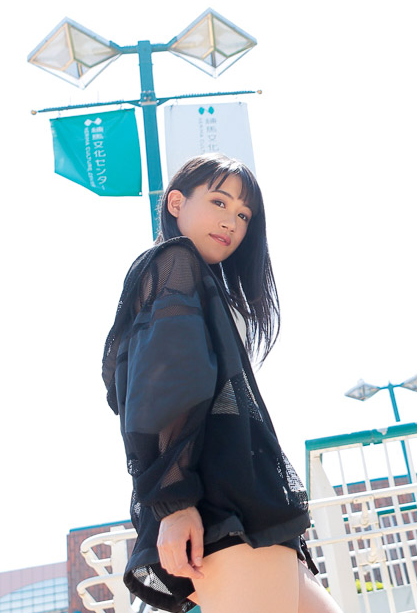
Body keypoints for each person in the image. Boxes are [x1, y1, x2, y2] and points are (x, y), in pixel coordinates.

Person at [100, 153, 343, 613]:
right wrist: (174, 504)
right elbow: (164, 389)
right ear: (176, 203)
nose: (231, 221)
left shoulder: (199, 281)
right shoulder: (175, 261)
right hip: (219, 506)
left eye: (244, 215)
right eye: (218, 202)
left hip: (243, 505)